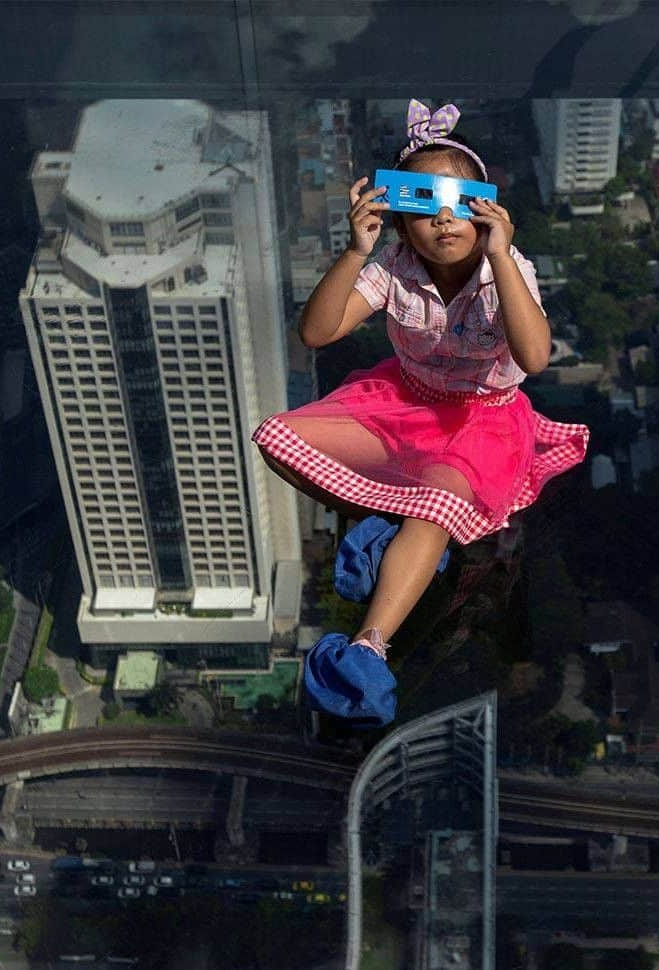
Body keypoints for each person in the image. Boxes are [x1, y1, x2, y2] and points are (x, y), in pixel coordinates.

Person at [252, 99, 589, 724]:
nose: (442, 219)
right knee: (278, 437)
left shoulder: (509, 269)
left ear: (485, 210)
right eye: (423, 207)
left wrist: (500, 257)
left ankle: (368, 647)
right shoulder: (394, 267)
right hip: (402, 407)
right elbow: (318, 333)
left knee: (433, 504)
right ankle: (389, 526)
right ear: (402, 221)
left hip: (480, 424)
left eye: (460, 202)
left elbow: (536, 357)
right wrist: (356, 250)